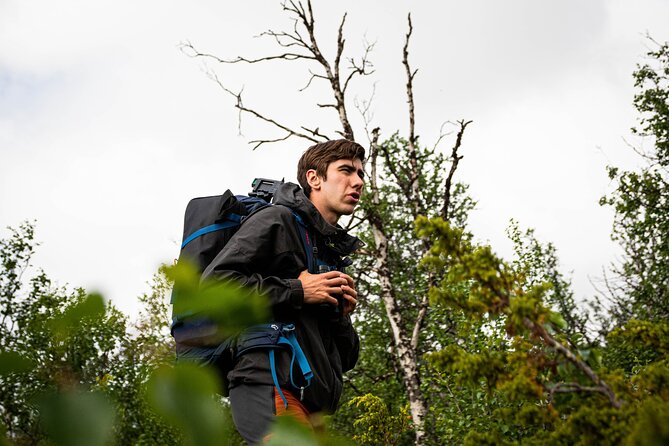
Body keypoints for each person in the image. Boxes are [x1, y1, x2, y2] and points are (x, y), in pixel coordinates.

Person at [202, 139, 365, 443]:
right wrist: (298, 290)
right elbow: (215, 287)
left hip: (312, 405)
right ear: (314, 179)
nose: (357, 181)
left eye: (361, 173)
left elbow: (347, 358)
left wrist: (341, 316)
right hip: (270, 384)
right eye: (346, 170)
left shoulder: (329, 255)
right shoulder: (277, 220)